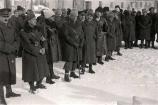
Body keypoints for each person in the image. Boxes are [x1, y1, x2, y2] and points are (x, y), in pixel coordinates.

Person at [20, 12, 49, 94]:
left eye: (35, 19)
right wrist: (38, 50)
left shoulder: (37, 29)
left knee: (42, 69)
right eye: (33, 19)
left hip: (40, 51)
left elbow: (43, 39)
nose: (35, 21)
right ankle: (32, 87)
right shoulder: (23, 31)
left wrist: (43, 48)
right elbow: (27, 45)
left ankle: (39, 84)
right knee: (31, 71)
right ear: (28, 21)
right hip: (29, 53)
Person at [0, 8, 21, 105]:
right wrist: (10, 48)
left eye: (7, 16)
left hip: (10, 54)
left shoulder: (11, 26)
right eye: (3, 17)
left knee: (9, 72)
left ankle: (9, 92)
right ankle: (0, 98)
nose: (6, 18)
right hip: (1, 55)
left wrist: (14, 47)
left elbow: (17, 38)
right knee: (1, 76)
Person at [63, 9, 84, 82]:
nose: (74, 17)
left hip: (78, 44)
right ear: (70, 16)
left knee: (76, 59)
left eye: (75, 16)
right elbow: (66, 36)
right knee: (69, 60)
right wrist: (73, 43)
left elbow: (82, 33)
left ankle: (73, 72)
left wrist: (81, 42)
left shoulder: (79, 23)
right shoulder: (66, 24)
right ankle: (66, 75)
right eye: (73, 15)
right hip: (69, 45)